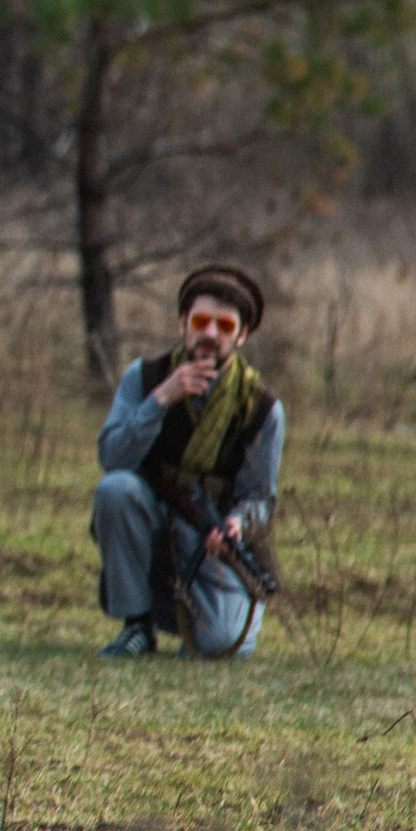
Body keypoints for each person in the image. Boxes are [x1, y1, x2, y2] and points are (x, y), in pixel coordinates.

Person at [93, 266, 284, 659]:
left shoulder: (262, 408)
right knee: (116, 491)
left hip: (211, 536)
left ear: (242, 334)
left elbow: (262, 498)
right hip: (153, 520)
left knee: (219, 645)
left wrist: (236, 523)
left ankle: (208, 614)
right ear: (183, 323)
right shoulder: (145, 378)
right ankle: (137, 625)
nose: (210, 334)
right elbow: (112, 457)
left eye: (225, 325)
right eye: (200, 321)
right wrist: (160, 400)